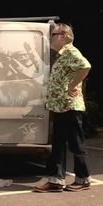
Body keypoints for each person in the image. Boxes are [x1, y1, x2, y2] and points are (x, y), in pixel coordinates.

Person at [34, 23, 91, 192]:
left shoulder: (70, 51)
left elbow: (85, 66)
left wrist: (72, 86)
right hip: (60, 106)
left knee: (76, 144)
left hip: (70, 106)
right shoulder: (62, 54)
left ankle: (83, 180)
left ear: (64, 36)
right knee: (58, 145)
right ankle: (56, 181)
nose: (51, 37)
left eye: (54, 34)